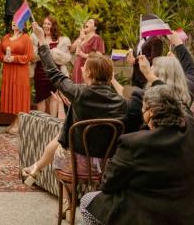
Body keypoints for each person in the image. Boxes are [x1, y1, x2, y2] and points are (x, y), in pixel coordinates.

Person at [80, 85, 194, 225]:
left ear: (150, 112)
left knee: (87, 200)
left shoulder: (134, 143)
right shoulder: (193, 127)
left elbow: (108, 185)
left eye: (143, 107)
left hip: (157, 216)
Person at [22, 21, 126, 189]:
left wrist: (42, 40)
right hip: (109, 161)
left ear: (89, 73)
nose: (82, 68)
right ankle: (37, 168)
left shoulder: (79, 93)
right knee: (72, 120)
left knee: (64, 139)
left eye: (84, 67)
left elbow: (53, 73)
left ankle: (67, 202)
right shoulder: (121, 103)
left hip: (79, 159)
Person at [32, 16, 71, 117]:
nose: (46, 26)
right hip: (40, 73)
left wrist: (51, 53)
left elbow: (64, 58)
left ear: (53, 26)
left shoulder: (61, 40)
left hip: (54, 73)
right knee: (40, 99)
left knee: (54, 98)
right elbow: (33, 55)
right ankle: (41, 124)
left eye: (48, 24)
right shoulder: (37, 39)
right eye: (44, 23)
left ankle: (53, 122)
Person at [0, 20, 34, 134]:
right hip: (8, 70)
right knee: (12, 94)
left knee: (19, 94)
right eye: (13, 21)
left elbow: (29, 56)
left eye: (18, 21)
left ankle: (19, 122)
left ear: (23, 24)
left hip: (20, 70)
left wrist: (15, 58)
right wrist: (3, 58)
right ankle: (14, 121)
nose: (14, 23)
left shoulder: (26, 38)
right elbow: (0, 53)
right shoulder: (6, 37)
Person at [69, 18, 105, 84]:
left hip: (87, 69)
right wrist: (80, 38)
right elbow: (71, 49)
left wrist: (84, 55)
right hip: (77, 67)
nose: (87, 23)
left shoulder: (97, 39)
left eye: (90, 22)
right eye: (87, 22)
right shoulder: (82, 37)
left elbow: (99, 56)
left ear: (95, 27)